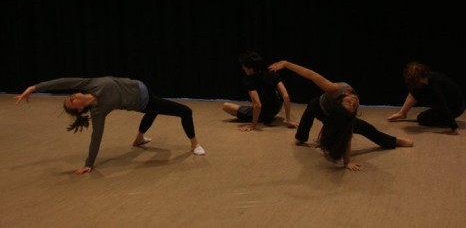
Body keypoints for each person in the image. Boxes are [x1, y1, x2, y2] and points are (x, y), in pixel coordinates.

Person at [14, 76, 206, 175]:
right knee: (184, 111)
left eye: (69, 98)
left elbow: (62, 82)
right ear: (80, 110)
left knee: (155, 109)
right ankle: (194, 144)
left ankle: (138, 139)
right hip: (143, 101)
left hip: (143, 87)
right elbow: (96, 137)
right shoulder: (98, 111)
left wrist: (34, 88)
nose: (71, 97)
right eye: (70, 103)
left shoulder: (88, 84)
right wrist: (88, 164)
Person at [268, 60, 413, 172]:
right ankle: (301, 137)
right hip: (319, 107)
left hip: (337, 116)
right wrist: (286, 64)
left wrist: (347, 162)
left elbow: (347, 136)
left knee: (367, 128)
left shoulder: (341, 102)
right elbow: (311, 75)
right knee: (310, 109)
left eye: (351, 103)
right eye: (351, 103)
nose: (354, 101)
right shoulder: (337, 94)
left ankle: (394, 141)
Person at [222, 51, 298, 132]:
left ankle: (260, 117)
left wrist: (253, 125)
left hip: (263, 114)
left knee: (226, 106)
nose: (242, 68)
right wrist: (288, 120)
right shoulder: (272, 74)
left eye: (244, 66)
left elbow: (258, 105)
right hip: (276, 108)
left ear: (250, 69)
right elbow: (286, 97)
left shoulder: (248, 80)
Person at [387, 61, 465, 135]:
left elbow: (443, 105)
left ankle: (448, 123)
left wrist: (454, 128)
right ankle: (402, 113)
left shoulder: (434, 86)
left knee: (421, 119)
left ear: (420, 77)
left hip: (455, 108)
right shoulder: (427, 77)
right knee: (416, 89)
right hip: (449, 101)